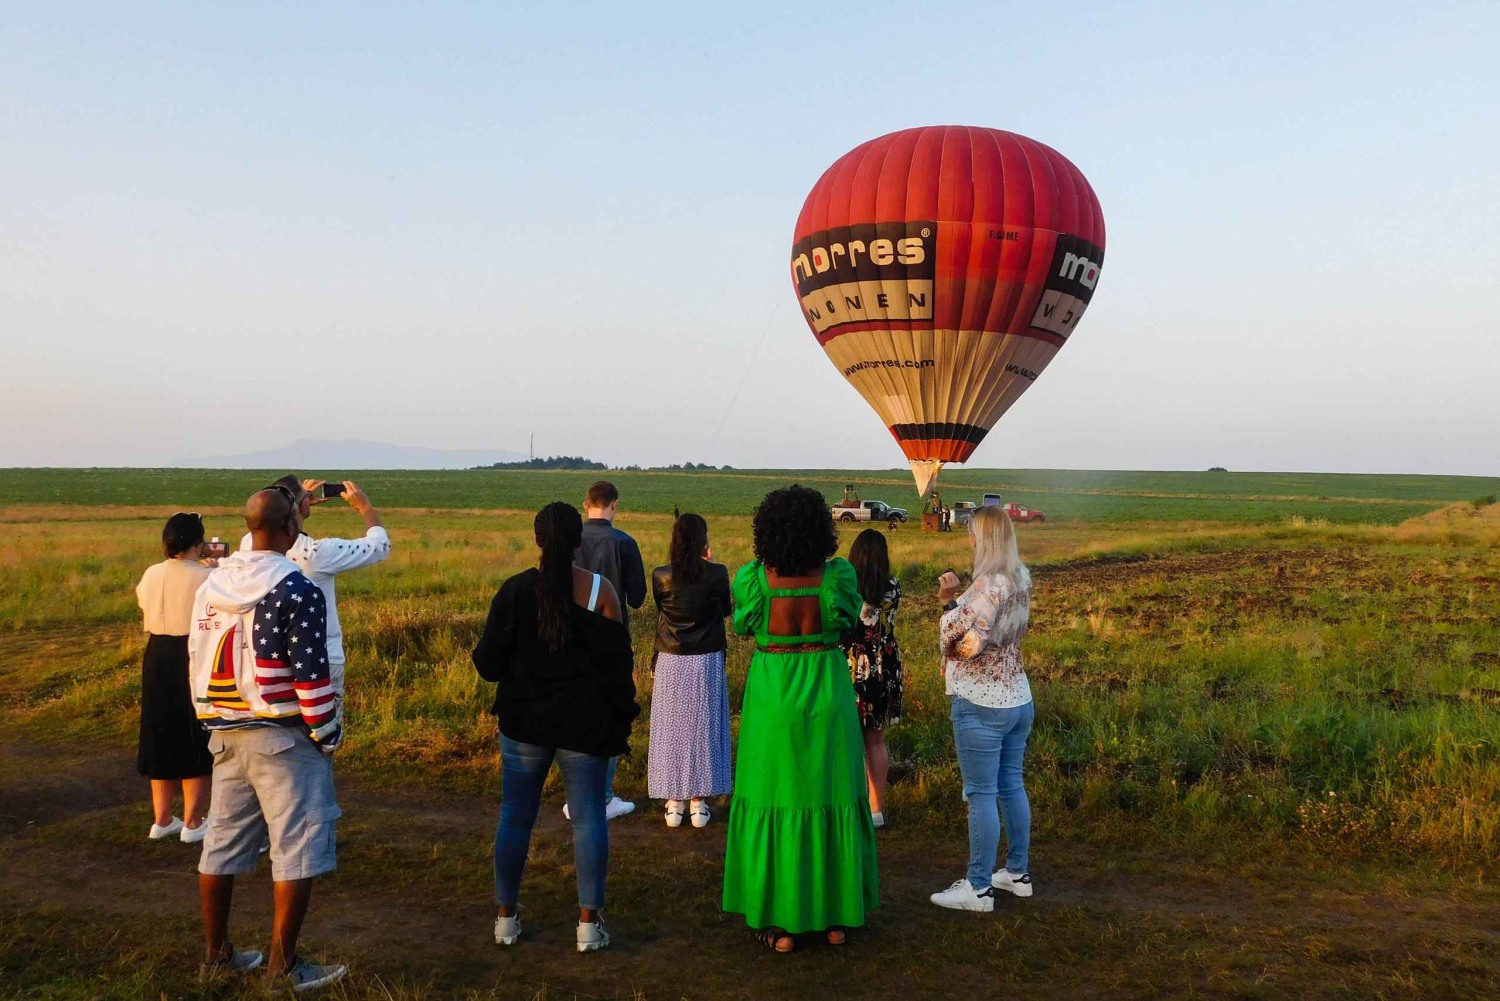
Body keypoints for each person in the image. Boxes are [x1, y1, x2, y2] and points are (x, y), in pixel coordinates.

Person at [190, 488, 347, 991]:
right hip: (282, 735)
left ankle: (216, 956)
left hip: (224, 731)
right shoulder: (297, 588)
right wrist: (327, 732)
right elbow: (310, 672)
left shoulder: (211, 584)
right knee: (297, 848)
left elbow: (193, 653)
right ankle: (284, 965)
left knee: (221, 845)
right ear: (290, 530)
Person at [472, 502, 639, 952]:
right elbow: (619, 665)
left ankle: (506, 920)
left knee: (515, 817)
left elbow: (487, 664)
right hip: (585, 728)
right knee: (588, 820)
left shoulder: (515, 591)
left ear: (537, 539)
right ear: (577, 540)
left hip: (524, 725)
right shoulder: (600, 591)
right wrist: (623, 715)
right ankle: (589, 925)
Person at [722, 485, 879, 952]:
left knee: (777, 797)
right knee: (830, 794)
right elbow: (851, 621)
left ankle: (782, 923)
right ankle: (834, 917)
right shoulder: (838, 578)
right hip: (827, 691)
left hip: (773, 696)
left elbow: (743, 626)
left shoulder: (753, 579)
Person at [929, 504, 1036, 913]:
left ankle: (978, 888)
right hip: (1017, 697)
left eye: (972, 533)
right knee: (1011, 785)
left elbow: (961, 647)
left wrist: (948, 604)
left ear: (982, 538)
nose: (969, 540)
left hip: (980, 702)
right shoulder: (1020, 577)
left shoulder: (987, 586)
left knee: (981, 794)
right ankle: (1017, 873)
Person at [240, 476, 390, 701]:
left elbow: (276, 528)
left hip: (266, 657)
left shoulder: (248, 544)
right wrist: (365, 507)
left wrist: (296, 510)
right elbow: (379, 546)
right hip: (321, 657)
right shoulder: (317, 554)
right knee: (324, 728)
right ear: (301, 507)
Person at [563, 480, 646, 822]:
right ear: (614, 505)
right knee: (610, 716)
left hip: (569, 638)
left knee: (573, 715)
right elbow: (638, 598)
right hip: (612, 640)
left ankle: (576, 796)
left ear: (586, 505)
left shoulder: (571, 540)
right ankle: (605, 795)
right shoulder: (624, 543)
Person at [647, 513, 732, 828]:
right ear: (703, 541)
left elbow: (662, 610)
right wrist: (712, 563)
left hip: (671, 658)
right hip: (706, 657)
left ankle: (674, 802)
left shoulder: (660, 575)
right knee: (703, 728)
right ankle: (699, 802)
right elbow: (725, 610)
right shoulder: (717, 573)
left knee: (671, 729)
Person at [134, 512, 215, 842]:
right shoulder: (205, 576)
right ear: (198, 543)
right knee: (193, 735)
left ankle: (162, 819)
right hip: (190, 653)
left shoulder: (151, 573)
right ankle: (194, 822)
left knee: (160, 731)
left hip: (156, 653)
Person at [841, 528, 903, 829]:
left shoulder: (847, 587)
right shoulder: (893, 585)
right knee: (876, 741)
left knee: (848, 740)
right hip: (885, 665)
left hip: (852, 666)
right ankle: (875, 809)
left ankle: (850, 803)